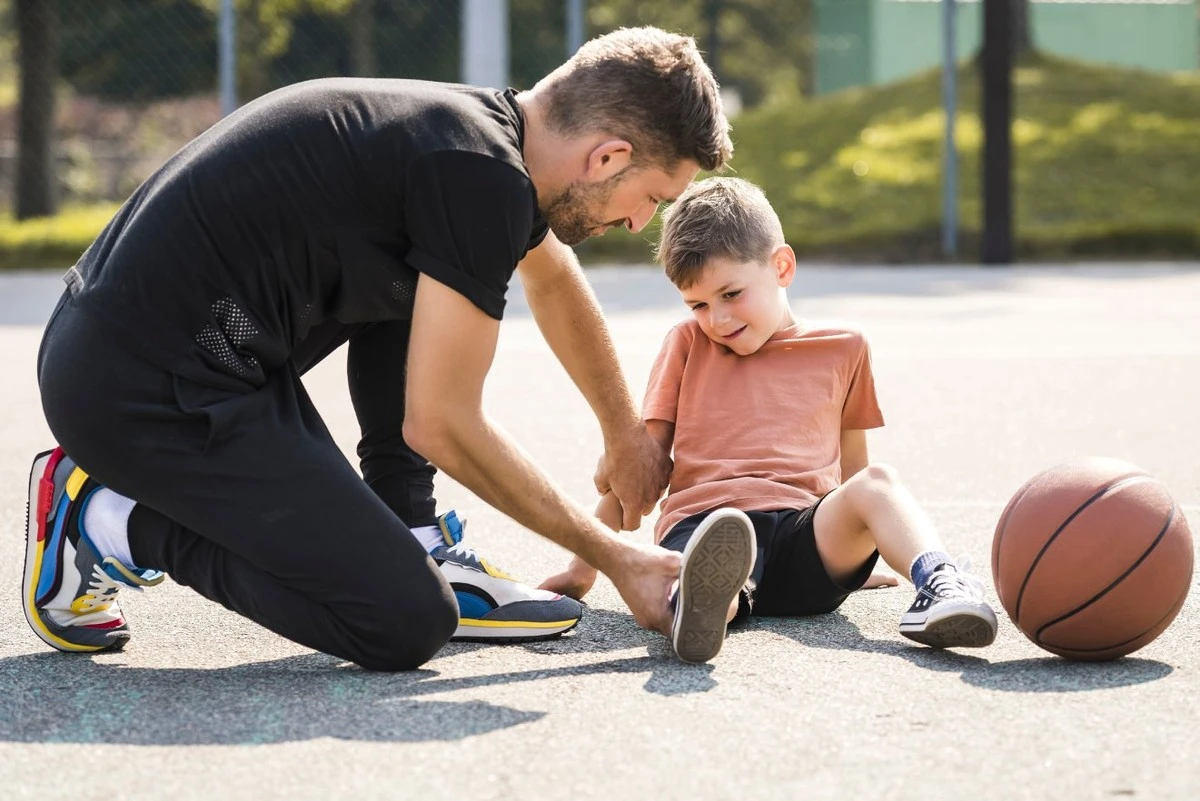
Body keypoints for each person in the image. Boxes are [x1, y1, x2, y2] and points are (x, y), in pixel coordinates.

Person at [23, 27, 733, 671]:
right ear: (607, 155)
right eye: (653, 197)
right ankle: (108, 518)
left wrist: (625, 434)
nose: (641, 220)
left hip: (174, 362)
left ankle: (413, 530)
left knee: (426, 281)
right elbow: (442, 423)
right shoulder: (479, 177)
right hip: (138, 393)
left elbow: (552, 279)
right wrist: (617, 558)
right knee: (403, 621)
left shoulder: (473, 133)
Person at [541, 177, 999, 663]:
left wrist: (863, 556)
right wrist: (581, 569)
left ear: (781, 266)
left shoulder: (844, 348)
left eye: (731, 294)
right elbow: (635, 468)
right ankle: (699, 606)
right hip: (706, 524)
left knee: (879, 482)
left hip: (806, 538)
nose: (716, 319)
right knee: (718, 548)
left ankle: (940, 583)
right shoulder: (686, 344)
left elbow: (854, 475)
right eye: (698, 304)